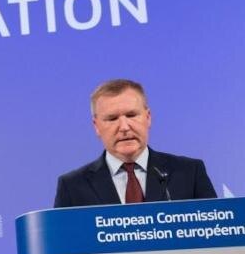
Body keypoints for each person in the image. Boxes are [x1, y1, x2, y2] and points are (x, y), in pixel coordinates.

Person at [54, 79, 216, 208]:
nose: (124, 127)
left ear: (148, 117)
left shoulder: (190, 173)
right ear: (96, 126)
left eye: (131, 115)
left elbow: (215, 233)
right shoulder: (72, 187)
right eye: (112, 119)